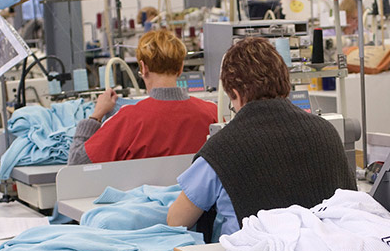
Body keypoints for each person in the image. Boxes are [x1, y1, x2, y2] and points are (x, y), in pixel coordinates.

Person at [166, 37, 356, 236]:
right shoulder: (326, 132)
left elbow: (177, 220)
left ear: (236, 94)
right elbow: (352, 207)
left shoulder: (222, 149)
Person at [68, 30, 217, 164]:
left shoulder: (128, 119)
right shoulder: (212, 113)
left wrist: (95, 117)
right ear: (181, 68)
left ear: (143, 68)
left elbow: (76, 163)